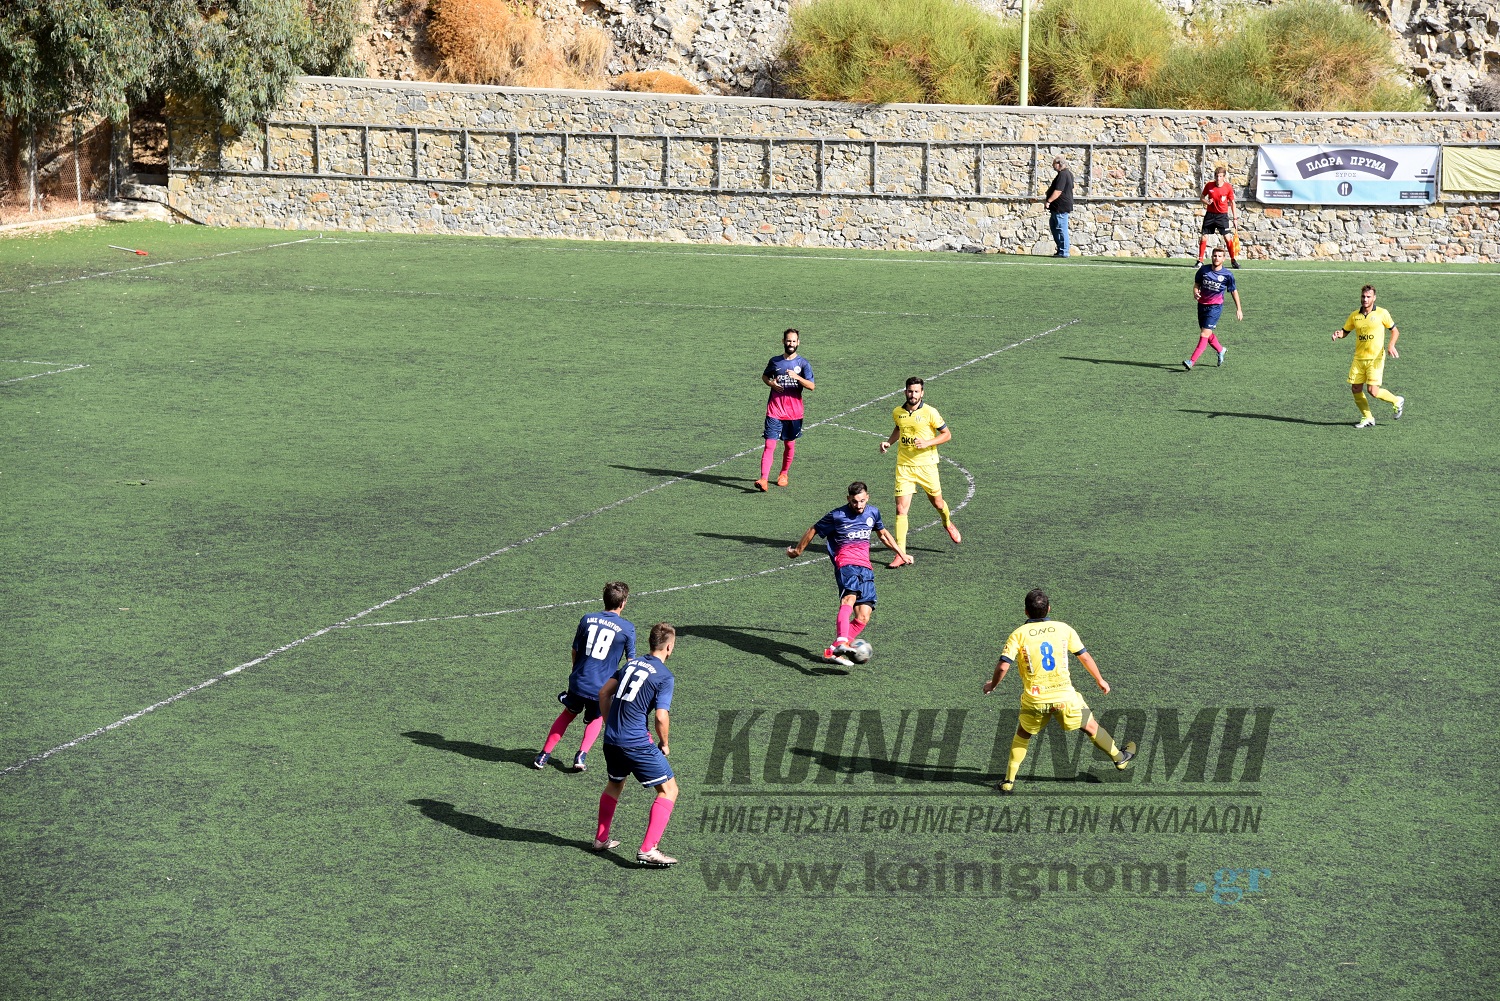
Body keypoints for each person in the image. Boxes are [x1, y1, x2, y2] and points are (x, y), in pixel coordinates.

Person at [983, 589, 1136, 794]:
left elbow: (1003, 666)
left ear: (1026, 611)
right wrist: (1100, 679)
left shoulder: (1018, 634)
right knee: (1090, 725)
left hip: (1035, 700)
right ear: (1049, 608)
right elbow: (1084, 656)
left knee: (1023, 734)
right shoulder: (1064, 629)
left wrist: (992, 685)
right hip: (1066, 698)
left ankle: (1008, 781)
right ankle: (1119, 758)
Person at [786, 481, 906, 666]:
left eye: (862, 501)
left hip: (866, 567)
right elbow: (813, 529)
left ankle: (833, 651)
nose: (858, 505)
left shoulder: (873, 512)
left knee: (864, 615)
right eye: (854, 501)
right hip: (846, 563)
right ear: (848, 499)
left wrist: (901, 553)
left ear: (867, 498)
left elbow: (883, 534)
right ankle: (842, 640)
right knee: (849, 599)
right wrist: (798, 551)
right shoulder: (837, 515)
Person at [593, 622, 680, 867]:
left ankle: (600, 839)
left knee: (615, 784)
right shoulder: (664, 676)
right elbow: (661, 716)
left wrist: (610, 723)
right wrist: (665, 742)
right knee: (669, 790)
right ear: (669, 647)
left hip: (611, 740)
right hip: (636, 743)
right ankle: (648, 849)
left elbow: (603, 693)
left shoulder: (630, 665)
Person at [533, 581, 636, 771]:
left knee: (568, 713)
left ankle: (543, 755)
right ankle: (581, 756)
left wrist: (576, 673)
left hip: (579, 681)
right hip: (601, 687)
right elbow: (630, 663)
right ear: (623, 603)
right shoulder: (627, 628)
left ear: (604, 599)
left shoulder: (587, 619)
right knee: (596, 717)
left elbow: (575, 650)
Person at [879, 377, 960, 567]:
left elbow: (947, 434)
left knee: (938, 503)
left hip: (926, 466)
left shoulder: (930, 412)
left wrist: (927, 443)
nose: (912, 394)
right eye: (910, 391)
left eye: (916, 391)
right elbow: (899, 428)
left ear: (922, 393)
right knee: (901, 509)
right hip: (904, 466)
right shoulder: (898, 412)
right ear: (905, 392)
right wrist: (889, 442)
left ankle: (947, 522)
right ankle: (901, 554)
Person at [1333, 284, 1405, 429]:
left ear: (1374, 298)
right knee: (1356, 388)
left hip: (1375, 358)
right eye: (1363, 296)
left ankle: (1396, 400)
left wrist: (1391, 345)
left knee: (1373, 391)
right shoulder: (1355, 315)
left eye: (1368, 297)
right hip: (1359, 358)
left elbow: (1395, 331)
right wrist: (1339, 334)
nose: (1365, 299)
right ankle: (1368, 417)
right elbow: (1345, 331)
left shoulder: (1382, 313)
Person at [756, 328, 815, 491]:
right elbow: (765, 376)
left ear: (798, 343)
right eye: (788, 340)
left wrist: (797, 377)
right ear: (783, 341)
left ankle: (783, 474)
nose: (791, 343)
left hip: (794, 413)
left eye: (794, 341)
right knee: (769, 445)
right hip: (774, 410)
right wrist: (771, 383)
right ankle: (763, 479)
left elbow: (811, 386)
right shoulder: (775, 361)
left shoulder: (803, 364)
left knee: (789, 445)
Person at [1183, 247, 1243, 370]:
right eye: (1215, 256)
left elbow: (1233, 291)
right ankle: (1221, 350)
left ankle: (1191, 361)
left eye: (1219, 256)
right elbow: (1197, 284)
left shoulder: (1227, 275)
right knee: (1207, 333)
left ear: (1224, 259)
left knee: (1204, 334)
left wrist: (1239, 309)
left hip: (1215, 308)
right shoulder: (1203, 270)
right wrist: (1195, 292)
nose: (1217, 258)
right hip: (1202, 305)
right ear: (1211, 257)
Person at [1198, 166, 1241, 268]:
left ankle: (1233, 260)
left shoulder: (1228, 187)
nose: (1218, 178)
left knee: (1227, 237)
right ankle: (1200, 261)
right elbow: (1202, 198)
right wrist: (1207, 202)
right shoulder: (1209, 185)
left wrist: (1235, 218)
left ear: (1224, 177)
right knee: (1204, 237)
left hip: (1222, 216)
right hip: (1210, 215)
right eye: (1217, 176)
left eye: (1220, 176)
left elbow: (1232, 203)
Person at [1043, 157, 1074, 258]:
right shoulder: (1067, 174)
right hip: (1057, 207)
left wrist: (1049, 201)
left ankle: (1064, 251)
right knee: (1054, 226)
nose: (1053, 166)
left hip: (1060, 207)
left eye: (1054, 164)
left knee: (1061, 228)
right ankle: (1061, 250)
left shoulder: (1063, 174)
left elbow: (1058, 191)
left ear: (1059, 164)